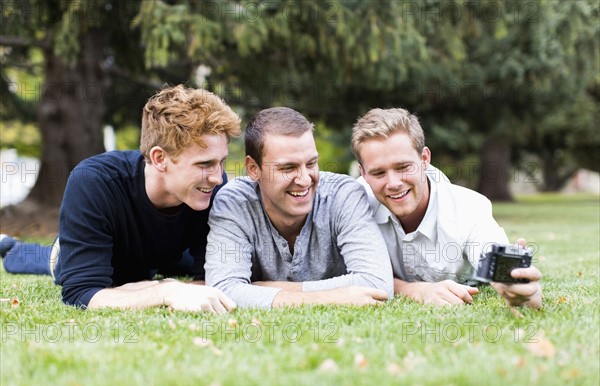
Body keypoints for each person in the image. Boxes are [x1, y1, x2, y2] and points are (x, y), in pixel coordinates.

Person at [0, 85, 240, 314]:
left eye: (221, 161)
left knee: (178, 267)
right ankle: (13, 249)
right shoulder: (94, 181)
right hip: (104, 254)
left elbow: (213, 282)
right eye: (204, 164)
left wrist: (160, 286)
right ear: (159, 159)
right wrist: (165, 290)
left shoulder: (211, 188)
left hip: (163, 254)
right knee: (56, 263)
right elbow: (82, 293)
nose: (218, 178)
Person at [351, 108, 542, 308]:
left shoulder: (469, 209)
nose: (393, 183)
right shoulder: (356, 202)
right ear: (363, 173)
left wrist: (523, 287)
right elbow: (350, 273)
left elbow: (496, 259)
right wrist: (415, 290)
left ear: (424, 159)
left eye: (403, 167)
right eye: (379, 173)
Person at [204, 107, 393, 308]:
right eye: (288, 168)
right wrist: (331, 297)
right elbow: (224, 289)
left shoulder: (343, 195)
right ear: (253, 169)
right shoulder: (235, 202)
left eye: (311, 164)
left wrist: (267, 288)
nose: (304, 180)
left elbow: (378, 283)